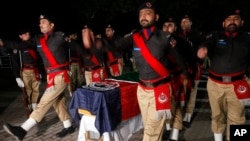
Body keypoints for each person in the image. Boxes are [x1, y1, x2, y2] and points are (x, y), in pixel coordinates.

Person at [82, 2, 188, 141]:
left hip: (160, 90)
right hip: (142, 89)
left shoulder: (165, 37)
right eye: (141, 14)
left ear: (156, 17)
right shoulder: (135, 37)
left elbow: (180, 59)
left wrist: (185, 76)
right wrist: (96, 42)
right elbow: (114, 46)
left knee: (151, 131)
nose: (143, 16)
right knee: (148, 125)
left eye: (147, 13)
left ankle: (172, 134)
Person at [2, 14, 88, 141]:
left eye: (43, 21)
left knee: (45, 101)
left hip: (61, 75)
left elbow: (76, 46)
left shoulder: (60, 36)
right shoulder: (38, 39)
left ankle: (22, 129)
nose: (40, 24)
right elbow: (22, 46)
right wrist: (4, 43)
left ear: (51, 24)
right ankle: (68, 126)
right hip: (51, 76)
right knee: (58, 102)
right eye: (39, 22)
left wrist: (88, 56)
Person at [197, 8, 250, 141]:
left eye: (236, 19)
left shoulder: (247, 38)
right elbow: (206, 44)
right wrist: (202, 49)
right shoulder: (215, 36)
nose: (232, 22)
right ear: (223, 23)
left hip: (239, 84)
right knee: (217, 116)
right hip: (215, 85)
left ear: (241, 22)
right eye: (229, 19)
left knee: (238, 118)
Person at [161, 16, 197, 140]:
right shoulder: (157, 41)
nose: (167, 28)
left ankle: (175, 135)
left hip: (178, 78)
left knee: (178, 106)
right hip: (162, 79)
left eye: (170, 25)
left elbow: (192, 58)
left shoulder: (182, 42)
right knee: (164, 106)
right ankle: (167, 129)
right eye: (165, 25)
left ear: (175, 28)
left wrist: (188, 74)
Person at [0, 28, 41, 113]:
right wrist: (17, 77)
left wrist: (40, 71)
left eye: (27, 33)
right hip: (25, 71)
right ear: (20, 36)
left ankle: (34, 104)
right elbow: (15, 63)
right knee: (27, 90)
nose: (27, 35)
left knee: (36, 89)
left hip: (35, 70)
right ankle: (29, 106)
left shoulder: (33, 44)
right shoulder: (18, 47)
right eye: (24, 34)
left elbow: (39, 59)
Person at [177, 13, 205, 127]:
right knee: (180, 92)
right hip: (180, 69)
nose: (184, 23)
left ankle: (188, 116)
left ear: (191, 23)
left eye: (186, 21)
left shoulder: (198, 35)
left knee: (192, 92)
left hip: (194, 68)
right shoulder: (176, 35)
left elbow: (202, 51)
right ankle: (179, 116)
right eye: (182, 22)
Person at [67, 31, 85, 96]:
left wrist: (82, 66)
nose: (76, 36)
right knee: (73, 79)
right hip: (71, 64)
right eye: (74, 35)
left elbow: (81, 55)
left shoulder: (78, 44)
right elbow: (66, 56)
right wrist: (67, 67)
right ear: (70, 36)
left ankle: (78, 92)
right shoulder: (68, 45)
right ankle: (72, 92)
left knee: (80, 79)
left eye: (76, 35)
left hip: (79, 63)